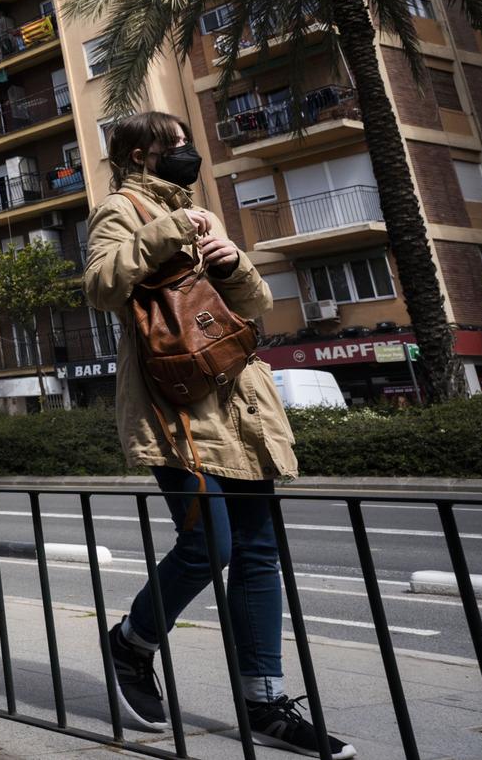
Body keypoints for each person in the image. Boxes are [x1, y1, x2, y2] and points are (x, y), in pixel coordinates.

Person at [84, 111, 353, 758]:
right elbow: (101, 283)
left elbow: (253, 303)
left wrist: (230, 260)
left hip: (241, 403)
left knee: (258, 550)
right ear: (145, 152)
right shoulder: (119, 208)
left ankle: (264, 702)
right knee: (210, 542)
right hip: (178, 410)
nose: (191, 153)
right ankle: (132, 641)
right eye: (180, 143)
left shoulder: (202, 213)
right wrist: (173, 228)